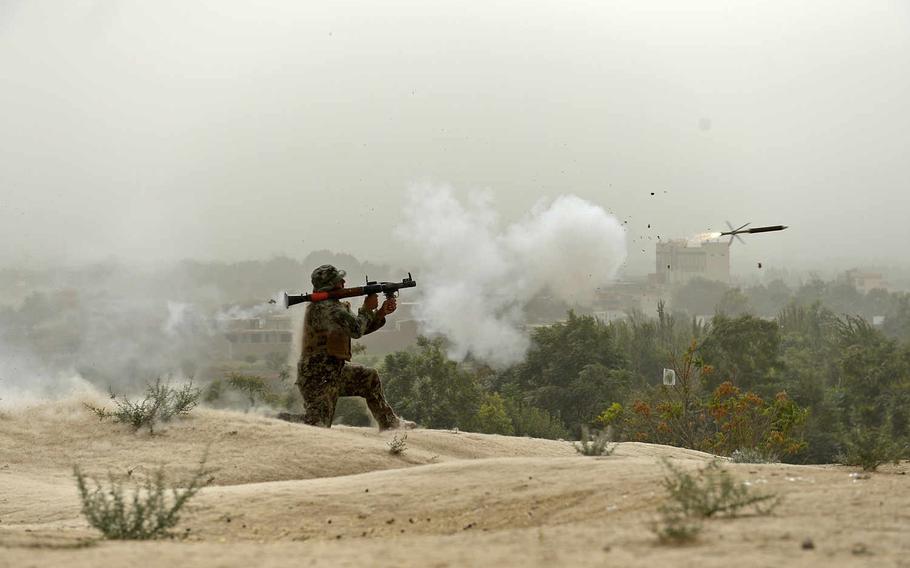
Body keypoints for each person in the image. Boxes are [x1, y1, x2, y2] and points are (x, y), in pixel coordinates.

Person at [279, 264, 415, 430]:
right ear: (330, 285)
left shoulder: (333, 306)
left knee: (369, 378)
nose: (344, 282)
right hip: (318, 376)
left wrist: (380, 314)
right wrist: (366, 308)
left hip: (333, 370)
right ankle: (273, 422)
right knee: (318, 425)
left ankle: (390, 424)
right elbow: (357, 330)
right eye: (338, 280)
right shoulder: (327, 309)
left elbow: (358, 328)